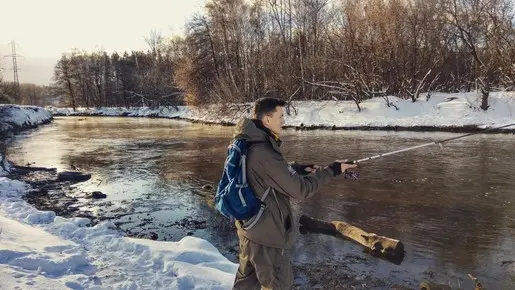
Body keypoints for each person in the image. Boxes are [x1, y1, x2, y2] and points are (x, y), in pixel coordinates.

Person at [232, 97, 358, 290]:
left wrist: (296, 169)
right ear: (266, 119)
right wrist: (333, 170)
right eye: (280, 116)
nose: (283, 120)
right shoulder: (264, 152)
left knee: (246, 285)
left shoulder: (248, 141)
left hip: (250, 231)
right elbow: (300, 190)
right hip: (267, 238)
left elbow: (263, 175)